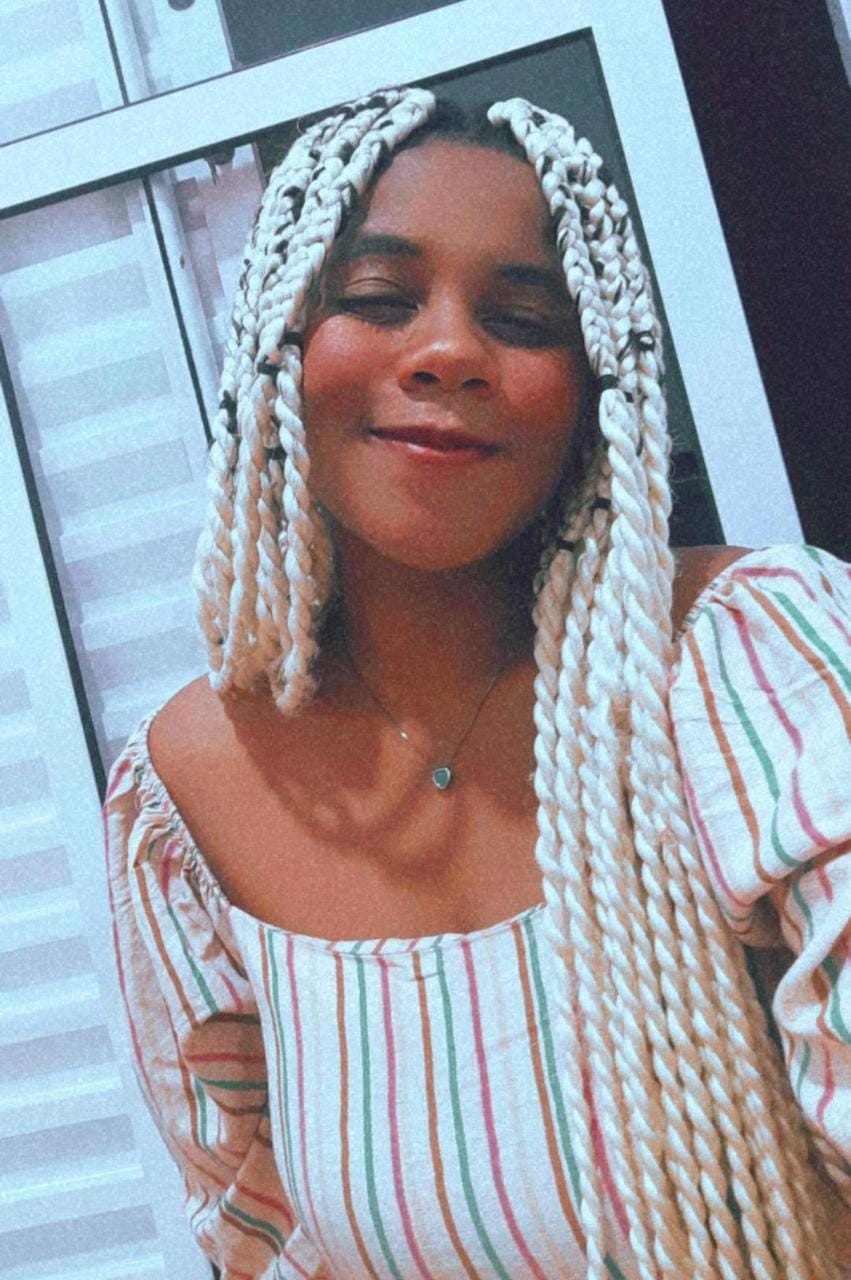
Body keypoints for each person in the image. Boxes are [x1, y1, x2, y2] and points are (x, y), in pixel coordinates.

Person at [103, 86, 851, 1279]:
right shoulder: (183, 792)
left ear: (594, 390)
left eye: (522, 317)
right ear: (277, 347)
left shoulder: (748, 657)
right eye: (377, 298)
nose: (449, 350)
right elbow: (259, 1233)